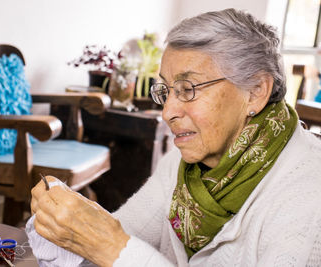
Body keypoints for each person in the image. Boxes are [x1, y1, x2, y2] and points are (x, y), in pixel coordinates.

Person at [28, 8, 321, 266]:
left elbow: (116, 249)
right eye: (166, 91)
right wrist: (73, 221)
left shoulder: (310, 194)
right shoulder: (183, 163)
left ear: (256, 91)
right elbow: (122, 234)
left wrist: (109, 246)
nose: (167, 111)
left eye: (188, 88)